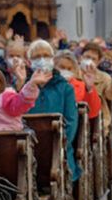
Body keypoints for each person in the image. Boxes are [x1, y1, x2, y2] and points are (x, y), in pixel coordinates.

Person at [27, 40, 81, 180]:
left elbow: (71, 122)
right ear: (29, 62)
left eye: (46, 55)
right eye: (36, 57)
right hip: (29, 150)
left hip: (59, 150)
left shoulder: (65, 88)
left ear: (52, 59)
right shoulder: (23, 87)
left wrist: (58, 146)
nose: (42, 60)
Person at [0, 64, 44, 132]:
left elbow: (21, 102)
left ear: (0, 86)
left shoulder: (5, 99)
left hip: (10, 139)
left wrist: (32, 85)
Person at [54, 50, 103, 119]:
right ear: (55, 66)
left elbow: (93, 113)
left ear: (74, 70)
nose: (65, 71)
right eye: (62, 67)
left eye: (69, 69)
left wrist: (90, 88)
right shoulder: (47, 84)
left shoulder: (81, 86)